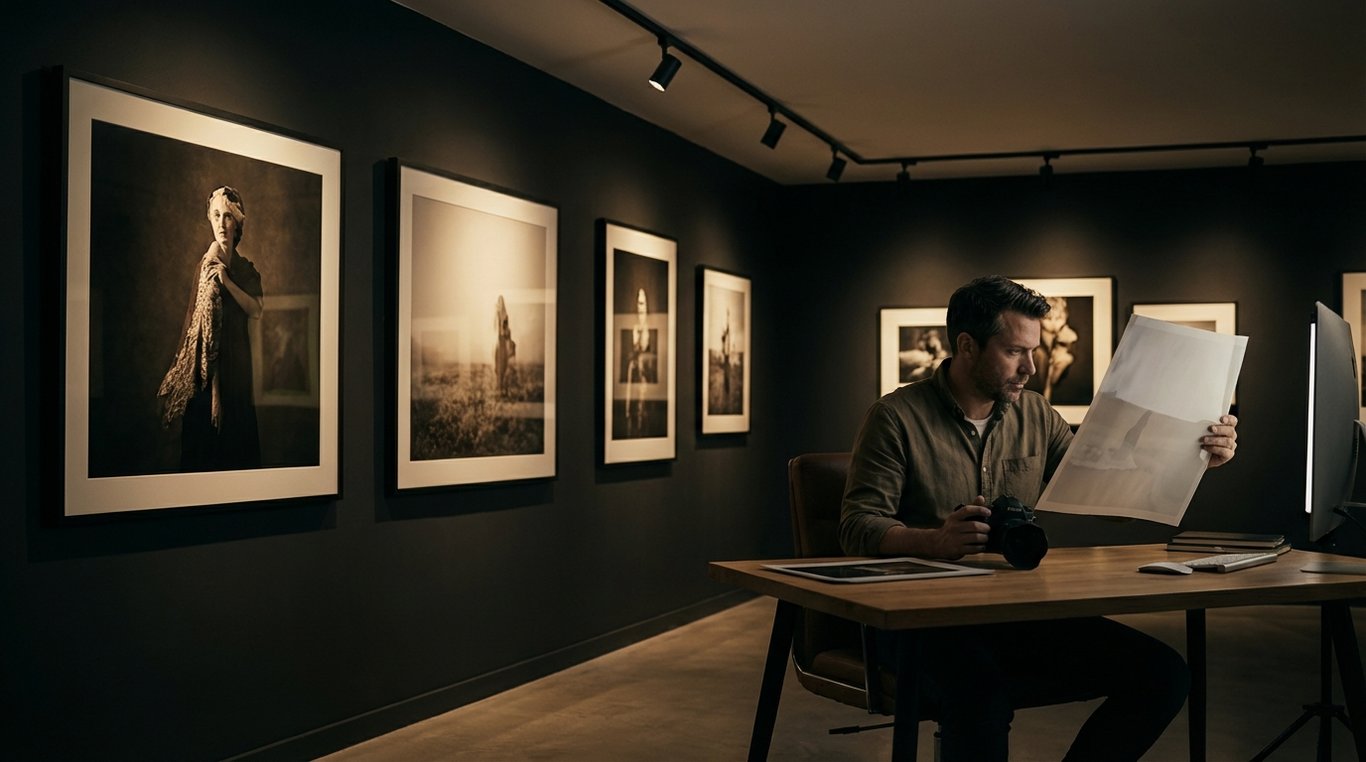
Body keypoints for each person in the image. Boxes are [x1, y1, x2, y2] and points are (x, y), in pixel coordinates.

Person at [839, 275, 1238, 762]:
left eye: (1034, 350)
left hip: (1011, 611)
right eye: (1014, 352)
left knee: (1164, 674)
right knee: (981, 695)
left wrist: (1194, 457)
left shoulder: (1037, 413)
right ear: (967, 345)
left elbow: (1103, 495)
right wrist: (935, 541)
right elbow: (856, 527)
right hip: (917, 621)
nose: (1032, 366)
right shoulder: (895, 417)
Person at [158, 186, 264, 471]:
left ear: (238, 222)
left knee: (238, 449)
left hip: (238, 368)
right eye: (216, 215)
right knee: (205, 450)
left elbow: (256, 310)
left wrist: (227, 281)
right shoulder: (206, 266)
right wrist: (215, 393)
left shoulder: (245, 270)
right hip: (209, 372)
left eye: (228, 216)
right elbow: (206, 332)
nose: (221, 223)